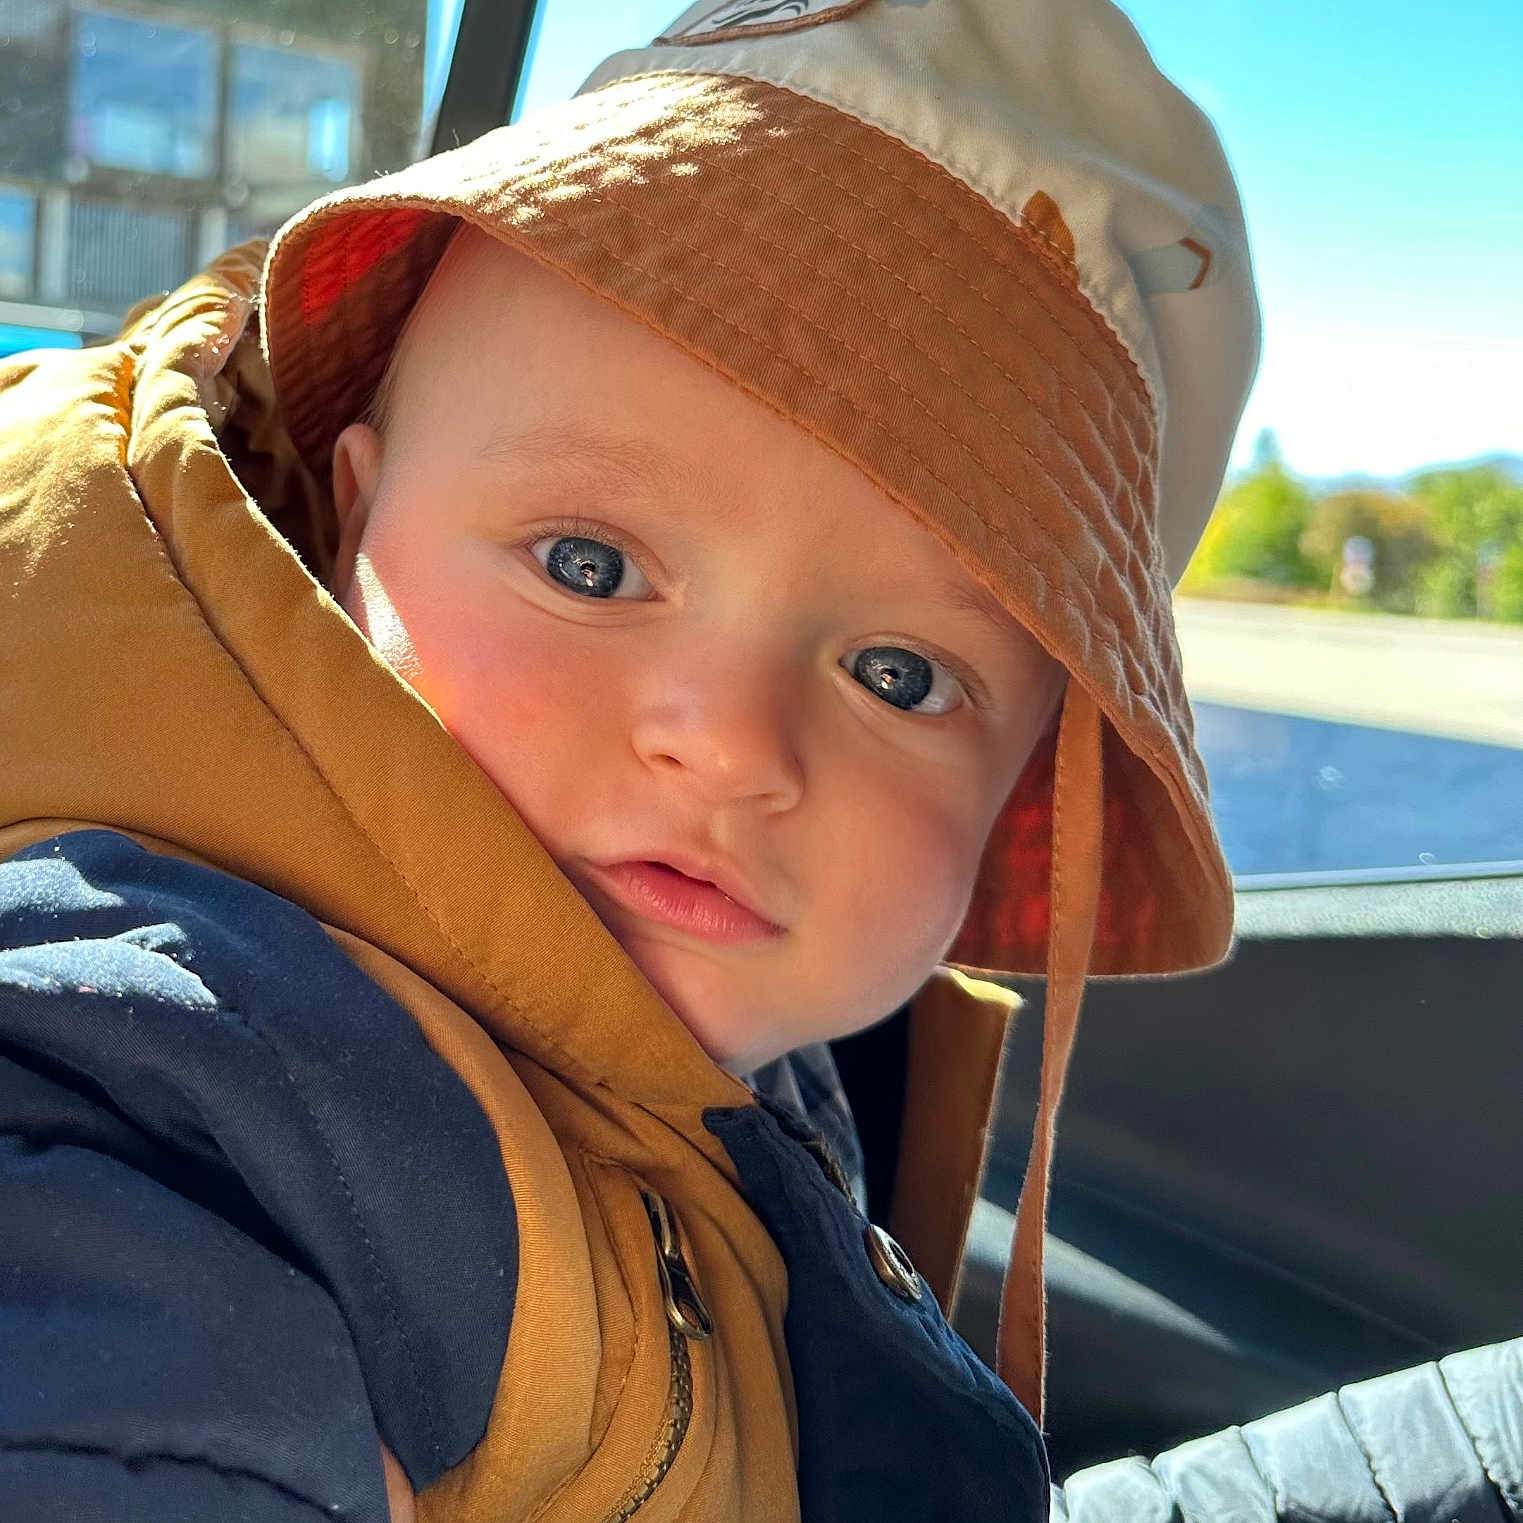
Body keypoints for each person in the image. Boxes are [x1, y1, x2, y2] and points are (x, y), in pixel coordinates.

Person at [0, 0, 1258, 1518]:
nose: (728, 745)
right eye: (589, 567)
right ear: (351, 527)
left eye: (899, 675)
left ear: (1017, 790)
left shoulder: (756, 1050)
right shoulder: (186, 1071)